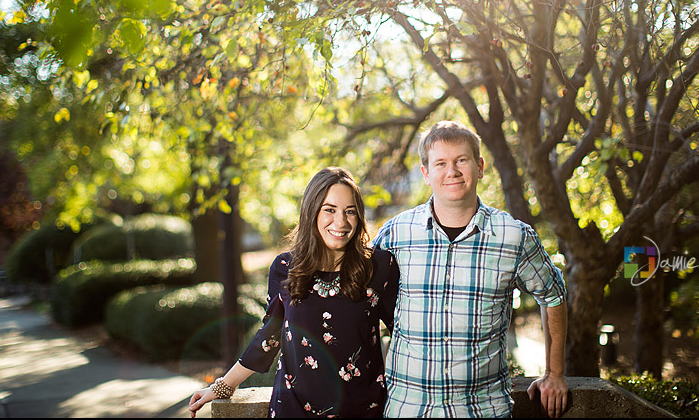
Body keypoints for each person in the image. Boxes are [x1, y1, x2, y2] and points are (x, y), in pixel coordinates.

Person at [373, 120, 569, 418]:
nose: (451, 171)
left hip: (483, 410)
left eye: (460, 160)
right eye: (440, 163)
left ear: (479, 166)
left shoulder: (513, 236)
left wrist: (554, 373)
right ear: (426, 173)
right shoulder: (396, 233)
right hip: (407, 409)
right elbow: (359, 295)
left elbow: (553, 294)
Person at [188, 167, 400, 418]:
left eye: (350, 211)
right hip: (293, 409)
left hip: (362, 411)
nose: (341, 222)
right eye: (329, 210)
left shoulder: (379, 266)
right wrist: (223, 386)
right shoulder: (285, 268)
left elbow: (404, 333)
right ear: (312, 212)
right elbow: (269, 336)